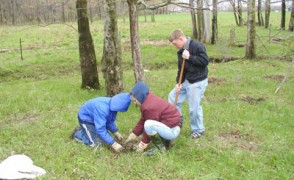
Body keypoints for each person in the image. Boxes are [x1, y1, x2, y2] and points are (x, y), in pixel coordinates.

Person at [168, 29, 209, 139]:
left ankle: (198, 130)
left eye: (175, 43)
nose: (175, 46)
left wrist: (190, 57)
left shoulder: (197, 46)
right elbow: (181, 68)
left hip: (197, 81)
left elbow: (205, 61)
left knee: (194, 107)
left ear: (181, 39)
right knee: (172, 97)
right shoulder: (181, 50)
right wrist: (178, 83)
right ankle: (178, 120)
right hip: (186, 80)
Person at [125, 82, 181, 156]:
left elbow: (147, 128)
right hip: (171, 127)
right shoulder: (148, 99)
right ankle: (167, 142)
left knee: (149, 125)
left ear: (140, 97)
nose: (135, 104)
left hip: (172, 131)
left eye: (135, 101)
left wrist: (142, 145)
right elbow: (143, 119)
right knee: (148, 123)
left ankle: (161, 149)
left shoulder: (149, 107)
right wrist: (134, 134)